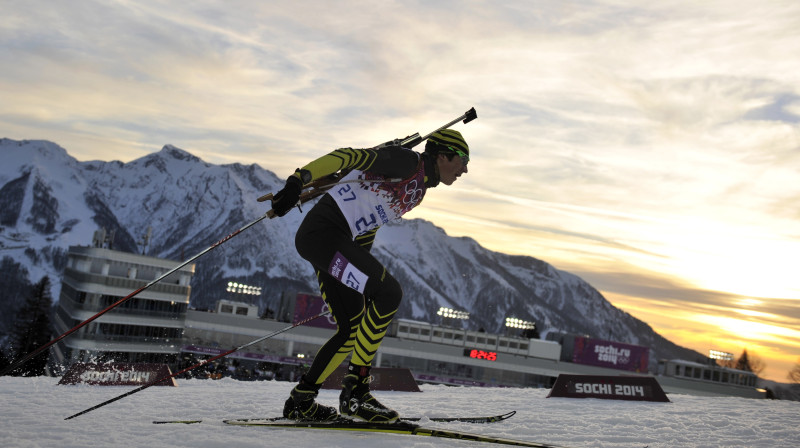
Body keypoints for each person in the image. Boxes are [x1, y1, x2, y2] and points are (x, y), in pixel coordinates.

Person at [270, 129, 470, 422]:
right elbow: (349, 156)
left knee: (352, 328)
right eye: (462, 159)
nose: (465, 168)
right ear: (442, 155)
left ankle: (302, 400)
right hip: (324, 237)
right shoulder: (407, 162)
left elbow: (368, 222)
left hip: (332, 242)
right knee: (389, 293)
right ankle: (356, 394)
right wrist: (298, 180)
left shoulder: (418, 186)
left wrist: (363, 271)